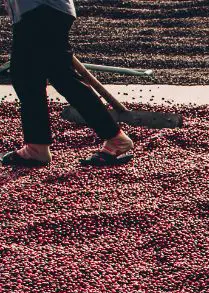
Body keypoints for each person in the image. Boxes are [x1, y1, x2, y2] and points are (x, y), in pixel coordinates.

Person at [2, 0, 135, 167]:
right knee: (38, 77)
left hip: (41, 11)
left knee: (42, 76)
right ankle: (37, 146)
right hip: (40, 11)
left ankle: (114, 137)